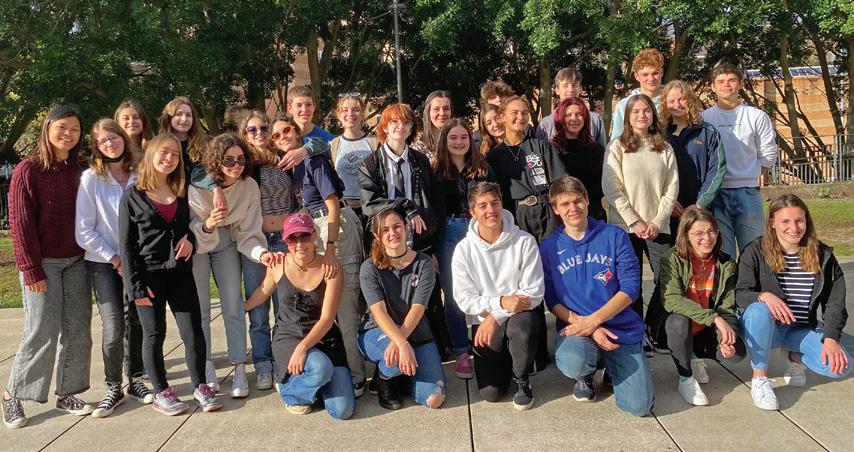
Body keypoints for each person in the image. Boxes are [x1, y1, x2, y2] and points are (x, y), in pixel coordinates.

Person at [3, 106, 94, 429]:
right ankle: (13, 394)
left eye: (75, 129)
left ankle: (68, 392)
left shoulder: (81, 168)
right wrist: (30, 269)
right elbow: (20, 224)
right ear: (47, 128)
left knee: (78, 330)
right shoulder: (28, 170)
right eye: (62, 127)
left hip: (77, 261)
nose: (68, 134)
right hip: (44, 264)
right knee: (41, 330)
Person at [119, 133, 221, 416]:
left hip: (180, 274)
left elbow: (189, 227)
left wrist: (190, 239)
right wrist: (135, 288)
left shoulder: (181, 191)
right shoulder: (132, 195)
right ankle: (161, 392)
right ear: (151, 154)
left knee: (193, 331)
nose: (170, 158)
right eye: (164, 152)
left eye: (175, 154)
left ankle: (201, 385)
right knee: (154, 334)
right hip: (148, 277)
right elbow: (126, 246)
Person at [541, 176, 654, 416]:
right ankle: (586, 375)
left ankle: (613, 366)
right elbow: (551, 300)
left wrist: (595, 320)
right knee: (574, 360)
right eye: (565, 204)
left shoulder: (614, 236)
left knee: (640, 406)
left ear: (587, 200)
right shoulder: (549, 247)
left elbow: (631, 288)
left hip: (620, 328)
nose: (573, 208)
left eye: (577, 200)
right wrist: (590, 328)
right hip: (578, 330)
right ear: (555, 209)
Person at [277, 113, 367, 397]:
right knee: (324, 306)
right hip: (313, 229)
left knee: (346, 308)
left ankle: (357, 377)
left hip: (333, 229)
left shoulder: (312, 160)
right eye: (276, 136)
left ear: (298, 132)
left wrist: (329, 248)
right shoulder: (292, 165)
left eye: (287, 130)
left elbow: (332, 205)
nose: (283, 137)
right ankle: (337, 369)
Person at [736, 194, 850, 411]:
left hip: (800, 329)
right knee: (759, 310)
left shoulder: (823, 255)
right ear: (772, 223)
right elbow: (740, 293)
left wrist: (831, 339)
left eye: (799, 220)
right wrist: (763, 296)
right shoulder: (755, 251)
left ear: (807, 220)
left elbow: (835, 303)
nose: (794, 228)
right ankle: (760, 378)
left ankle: (794, 355)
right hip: (765, 328)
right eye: (785, 222)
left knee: (840, 367)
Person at [75, 119, 153, 418]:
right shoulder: (91, 178)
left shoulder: (140, 173)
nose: (110, 144)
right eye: (103, 141)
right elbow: (83, 230)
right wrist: (115, 258)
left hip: (139, 260)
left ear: (123, 138)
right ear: (96, 146)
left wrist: (134, 258)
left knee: (137, 322)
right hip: (104, 263)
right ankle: (113, 386)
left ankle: (136, 379)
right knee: (113, 327)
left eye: (113, 137)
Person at [244, 213, 354, 419]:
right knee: (321, 368)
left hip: (325, 338)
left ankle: (307, 384)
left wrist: (303, 348)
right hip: (289, 337)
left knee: (342, 410)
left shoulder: (330, 267)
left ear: (314, 236)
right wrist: (242, 307)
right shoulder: (278, 264)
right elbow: (262, 291)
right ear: (285, 241)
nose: (299, 243)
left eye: (304, 236)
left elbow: (328, 318)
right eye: (292, 239)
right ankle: (290, 392)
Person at [189, 133, 272, 397]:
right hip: (198, 241)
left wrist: (261, 254)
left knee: (233, 305)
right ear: (217, 160)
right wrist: (208, 224)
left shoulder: (249, 187)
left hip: (227, 241)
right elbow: (191, 227)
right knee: (201, 308)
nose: (236, 165)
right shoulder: (198, 187)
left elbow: (249, 233)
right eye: (228, 160)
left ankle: (238, 366)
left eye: (241, 159)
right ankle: (206, 365)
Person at [453, 182, 543, 410]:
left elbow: (533, 293)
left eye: (495, 203)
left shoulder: (524, 241)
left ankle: (521, 376)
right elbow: (464, 300)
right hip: (484, 319)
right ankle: (511, 359)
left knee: (523, 330)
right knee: (491, 394)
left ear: (502, 204)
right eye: (482, 206)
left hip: (518, 316)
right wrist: (501, 302)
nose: (491, 210)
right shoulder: (463, 250)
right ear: (472, 212)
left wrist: (496, 316)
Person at [602, 94, 679, 335]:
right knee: (630, 283)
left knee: (667, 279)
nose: (641, 115)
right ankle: (634, 333)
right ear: (627, 117)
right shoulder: (616, 147)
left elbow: (671, 188)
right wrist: (634, 221)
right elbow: (611, 187)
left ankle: (652, 329)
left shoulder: (664, 147)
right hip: (626, 228)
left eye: (646, 110)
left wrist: (657, 221)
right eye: (635, 111)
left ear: (653, 115)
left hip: (658, 227)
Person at [358, 208, 446, 410]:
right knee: (395, 361)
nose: (393, 233)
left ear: (407, 228)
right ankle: (384, 379)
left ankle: (405, 378)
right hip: (377, 331)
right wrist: (401, 343)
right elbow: (378, 312)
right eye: (385, 230)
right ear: (377, 236)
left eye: (397, 226)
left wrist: (403, 340)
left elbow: (418, 308)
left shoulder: (424, 263)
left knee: (434, 399)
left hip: (416, 332)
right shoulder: (369, 268)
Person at [656, 206, 746, 406]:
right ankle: (685, 378)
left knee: (737, 353)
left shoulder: (726, 264)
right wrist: (714, 318)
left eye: (711, 231)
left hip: (705, 329)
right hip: (675, 327)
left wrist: (725, 337)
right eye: (699, 233)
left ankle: (695, 354)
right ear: (686, 236)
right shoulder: (672, 258)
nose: (707, 238)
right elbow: (671, 299)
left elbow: (726, 307)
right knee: (679, 321)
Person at [433, 118, 495, 379]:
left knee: (485, 286)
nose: (459, 142)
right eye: (453, 137)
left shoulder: (483, 168)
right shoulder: (435, 171)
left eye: (463, 137)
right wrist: (433, 248)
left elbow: (494, 202)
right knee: (453, 294)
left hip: (478, 229)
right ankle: (461, 350)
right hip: (447, 232)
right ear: (444, 141)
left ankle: (488, 341)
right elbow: (432, 209)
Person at [703, 63, 777, 258]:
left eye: (731, 80)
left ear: (741, 84)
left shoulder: (756, 116)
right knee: (722, 253)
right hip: (716, 195)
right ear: (712, 86)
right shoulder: (704, 119)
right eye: (721, 81)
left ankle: (752, 280)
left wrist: (750, 174)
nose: (726, 85)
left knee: (754, 250)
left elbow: (768, 152)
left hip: (748, 192)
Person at [485, 96, 567, 243]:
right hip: (517, 217)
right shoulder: (494, 157)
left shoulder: (542, 146)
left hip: (548, 213)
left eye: (524, 113)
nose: (520, 117)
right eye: (514, 112)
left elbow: (561, 183)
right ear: (502, 117)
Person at [549, 97, 607, 221]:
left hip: (593, 213)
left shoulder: (597, 150)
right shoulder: (551, 150)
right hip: (564, 216)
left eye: (579, 114)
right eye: (568, 115)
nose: (574, 118)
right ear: (560, 118)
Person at [329, 93, 380, 226]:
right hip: (345, 211)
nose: (350, 114)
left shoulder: (375, 143)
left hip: (372, 210)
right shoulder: (333, 145)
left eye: (356, 110)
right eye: (345, 110)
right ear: (339, 115)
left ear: (362, 114)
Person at [536, 67, 607, 147]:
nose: (571, 90)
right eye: (565, 86)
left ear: (580, 88)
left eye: (574, 85)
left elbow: (603, 152)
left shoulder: (595, 120)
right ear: (557, 90)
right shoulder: (546, 124)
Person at [611, 48, 665, 140]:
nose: (651, 79)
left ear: (662, 73)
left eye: (655, 73)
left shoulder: (673, 103)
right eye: (645, 75)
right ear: (636, 76)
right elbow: (616, 140)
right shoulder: (624, 105)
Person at [158, 96, 208, 184]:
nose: (184, 119)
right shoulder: (158, 145)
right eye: (179, 114)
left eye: (188, 115)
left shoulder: (205, 145)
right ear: (169, 118)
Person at [412, 90, 453, 161]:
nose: (442, 113)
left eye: (446, 109)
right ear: (428, 112)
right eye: (436, 109)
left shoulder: (459, 141)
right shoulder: (418, 146)